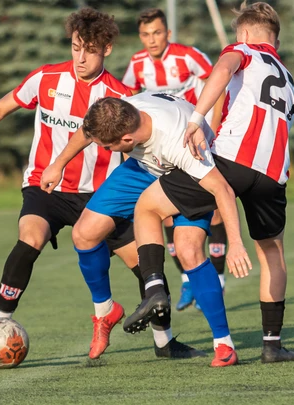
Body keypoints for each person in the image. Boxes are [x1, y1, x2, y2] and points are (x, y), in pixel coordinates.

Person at [0, 8, 139, 359]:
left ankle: (166, 340)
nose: (80, 57)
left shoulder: (120, 95)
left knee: (142, 261)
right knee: (30, 238)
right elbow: (0, 108)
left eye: (89, 50)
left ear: (106, 49)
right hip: (44, 188)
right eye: (76, 47)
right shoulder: (46, 79)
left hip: (98, 194)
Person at [127, 1, 294, 364]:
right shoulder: (287, 76)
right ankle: (272, 344)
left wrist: (196, 119)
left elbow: (222, 70)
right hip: (273, 175)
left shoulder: (241, 49)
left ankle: (156, 288)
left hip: (231, 160)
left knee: (148, 206)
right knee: (272, 253)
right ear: (275, 39)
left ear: (244, 33)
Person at [44, 92, 249, 367]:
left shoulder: (182, 143)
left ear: (127, 140)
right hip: (144, 168)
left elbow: (222, 189)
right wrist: (58, 164)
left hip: (189, 177)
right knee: (84, 233)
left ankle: (223, 344)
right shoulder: (122, 110)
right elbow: (88, 130)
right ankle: (106, 311)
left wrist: (235, 242)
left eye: (108, 147)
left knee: (188, 251)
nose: (105, 150)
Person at [122, 8, 228, 311]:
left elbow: (217, 88)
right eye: (145, 34)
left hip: (196, 140)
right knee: (166, 213)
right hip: (164, 146)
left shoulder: (187, 56)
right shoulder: (137, 64)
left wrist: (214, 126)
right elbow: (128, 101)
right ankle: (185, 281)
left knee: (216, 209)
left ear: (167, 33)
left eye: (157, 33)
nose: (151, 39)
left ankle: (217, 280)